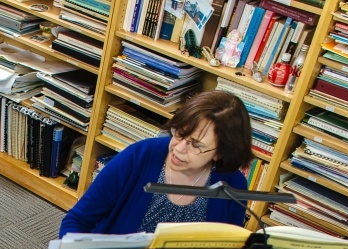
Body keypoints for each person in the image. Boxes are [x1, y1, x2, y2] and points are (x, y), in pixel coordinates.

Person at [58, 91, 253, 237]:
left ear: (220, 153)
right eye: (179, 133)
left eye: (196, 145)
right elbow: (77, 221)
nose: (178, 148)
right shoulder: (139, 156)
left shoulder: (233, 185)